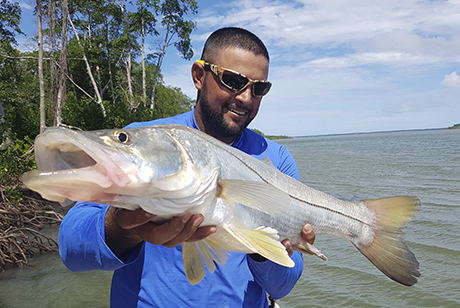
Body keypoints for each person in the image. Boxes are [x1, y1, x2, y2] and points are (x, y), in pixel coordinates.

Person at [59, 27, 316, 307]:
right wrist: (124, 227)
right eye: (232, 80)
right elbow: (71, 249)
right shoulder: (139, 141)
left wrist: (261, 248)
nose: (245, 97)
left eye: (259, 88)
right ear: (198, 76)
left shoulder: (277, 159)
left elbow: (282, 286)